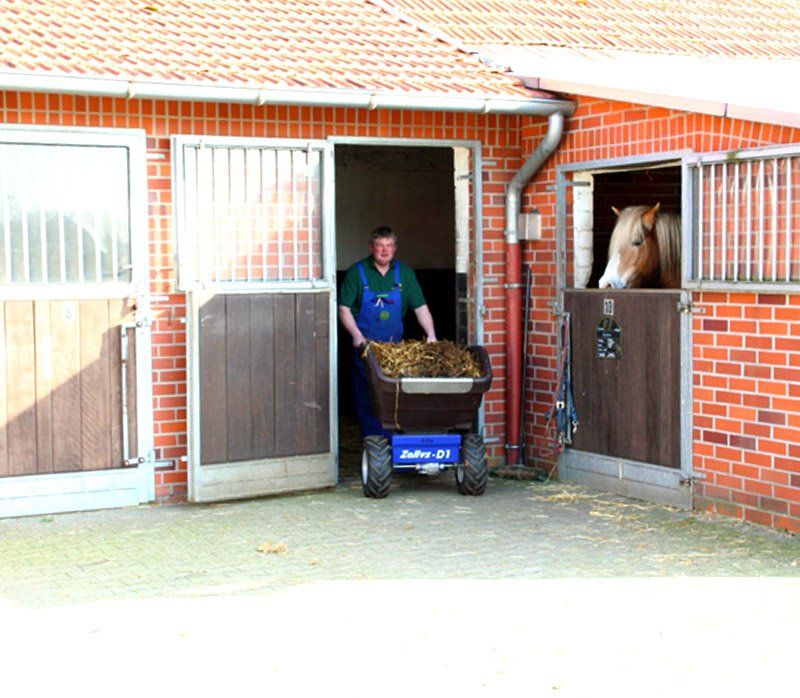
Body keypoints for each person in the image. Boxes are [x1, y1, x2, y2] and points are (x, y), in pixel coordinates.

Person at [338, 226, 437, 438]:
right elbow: (343, 309)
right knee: (368, 395)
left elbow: (420, 308)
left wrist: (431, 335)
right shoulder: (357, 272)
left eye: (389, 245)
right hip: (366, 349)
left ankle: (393, 442)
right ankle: (374, 442)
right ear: (371, 247)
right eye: (380, 245)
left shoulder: (405, 274)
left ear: (395, 248)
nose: (384, 250)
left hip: (395, 351)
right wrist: (357, 337)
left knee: (393, 395)